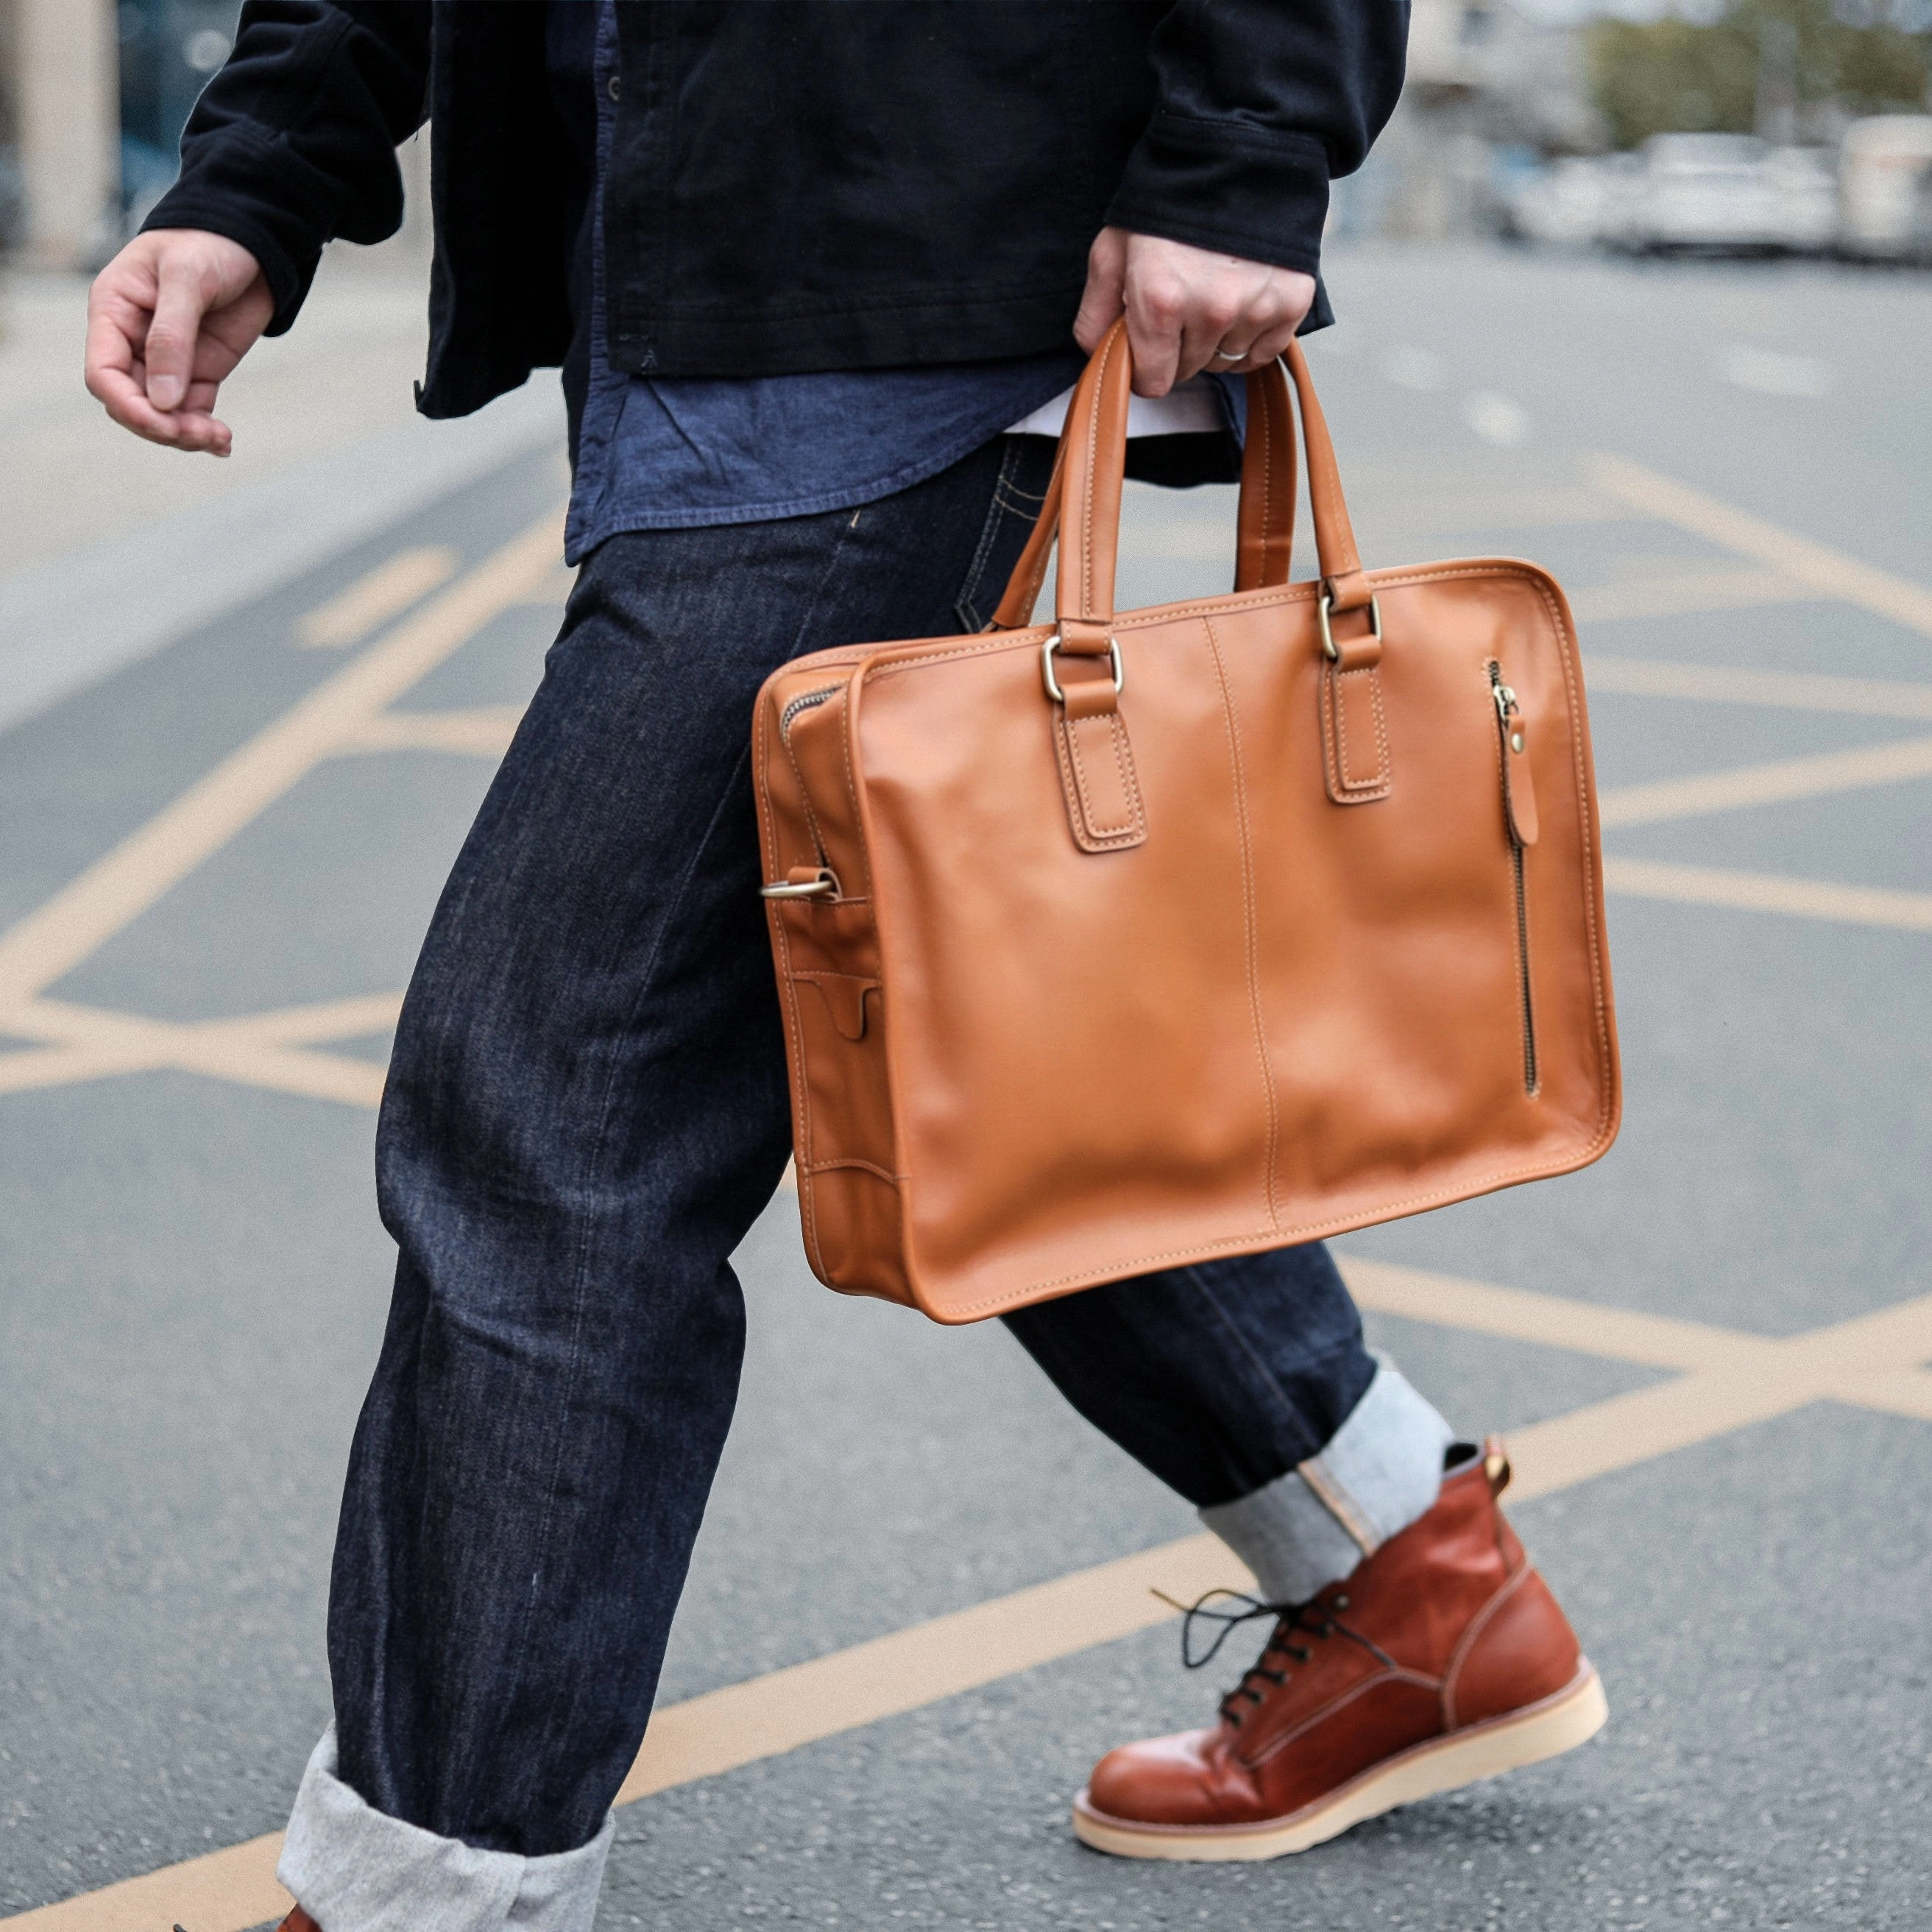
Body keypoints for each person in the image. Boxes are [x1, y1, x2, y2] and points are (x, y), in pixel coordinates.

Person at [85, 4, 1604, 1922]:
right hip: (708, 270)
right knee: (958, 1040)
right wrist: (258, 179)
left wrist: (1245, 144)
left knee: (554, 1122)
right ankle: (1407, 1579)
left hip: (914, 292)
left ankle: (428, 1886)